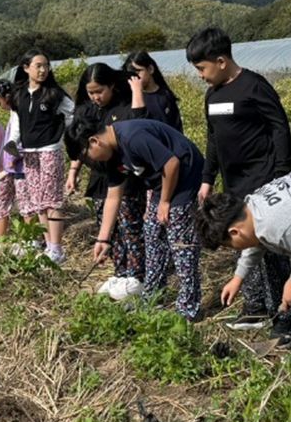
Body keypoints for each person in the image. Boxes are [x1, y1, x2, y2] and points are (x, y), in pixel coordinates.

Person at [186, 27, 291, 340]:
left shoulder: (254, 86)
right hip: (233, 183)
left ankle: (285, 315)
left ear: (221, 61)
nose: (201, 76)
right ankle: (255, 306)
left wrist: (281, 173)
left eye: (202, 68)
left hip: (264, 180)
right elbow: (213, 140)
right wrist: (207, 179)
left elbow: (279, 128)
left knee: (272, 249)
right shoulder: (213, 95)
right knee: (240, 242)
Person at [197, 166, 291, 378]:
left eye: (230, 246)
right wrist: (237, 278)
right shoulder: (251, 212)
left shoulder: (277, 226)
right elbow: (254, 242)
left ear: (234, 231)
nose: (235, 250)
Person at [75, 116, 204, 321]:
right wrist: (103, 239)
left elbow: (172, 163)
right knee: (152, 238)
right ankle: (152, 299)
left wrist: (164, 201)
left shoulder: (133, 137)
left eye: (88, 156)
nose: (92, 162)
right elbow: (113, 196)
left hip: (185, 177)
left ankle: (189, 308)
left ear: (94, 141)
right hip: (162, 185)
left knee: (181, 245)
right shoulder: (112, 153)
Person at [66, 63, 147, 298]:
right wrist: (74, 170)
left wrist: (138, 93)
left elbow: (138, 125)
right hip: (101, 176)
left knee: (130, 226)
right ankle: (120, 272)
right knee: (109, 226)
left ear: (112, 85)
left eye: (99, 91)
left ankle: (136, 275)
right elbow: (77, 141)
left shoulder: (122, 108)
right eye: (91, 92)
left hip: (126, 177)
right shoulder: (87, 111)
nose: (95, 97)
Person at [8, 50, 74, 263]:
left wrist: (59, 135)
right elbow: (16, 124)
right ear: (26, 68)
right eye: (38, 65)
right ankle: (48, 245)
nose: (43, 69)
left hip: (49, 150)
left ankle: (57, 249)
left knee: (52, 199)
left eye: (46, 65)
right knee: (38, 200)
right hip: (28, 152)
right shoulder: (19, 95)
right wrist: (12, 146)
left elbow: (73, 114)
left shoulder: (54, 94)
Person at [0, 79, 26, 238]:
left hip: (19, 166)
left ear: (6, 97)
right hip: (14, 166)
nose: (1, 107)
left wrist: (9, 163)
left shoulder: (19, 113)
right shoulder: (15, 112)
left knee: (23, 204)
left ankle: (26, 239)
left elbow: (18, 142)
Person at [122, 51, 183, 131]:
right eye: (130, 74)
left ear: (150, 69)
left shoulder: (165, 96)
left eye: (137, 72)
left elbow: (176, 128)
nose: (134, 78)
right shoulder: (129, 99)